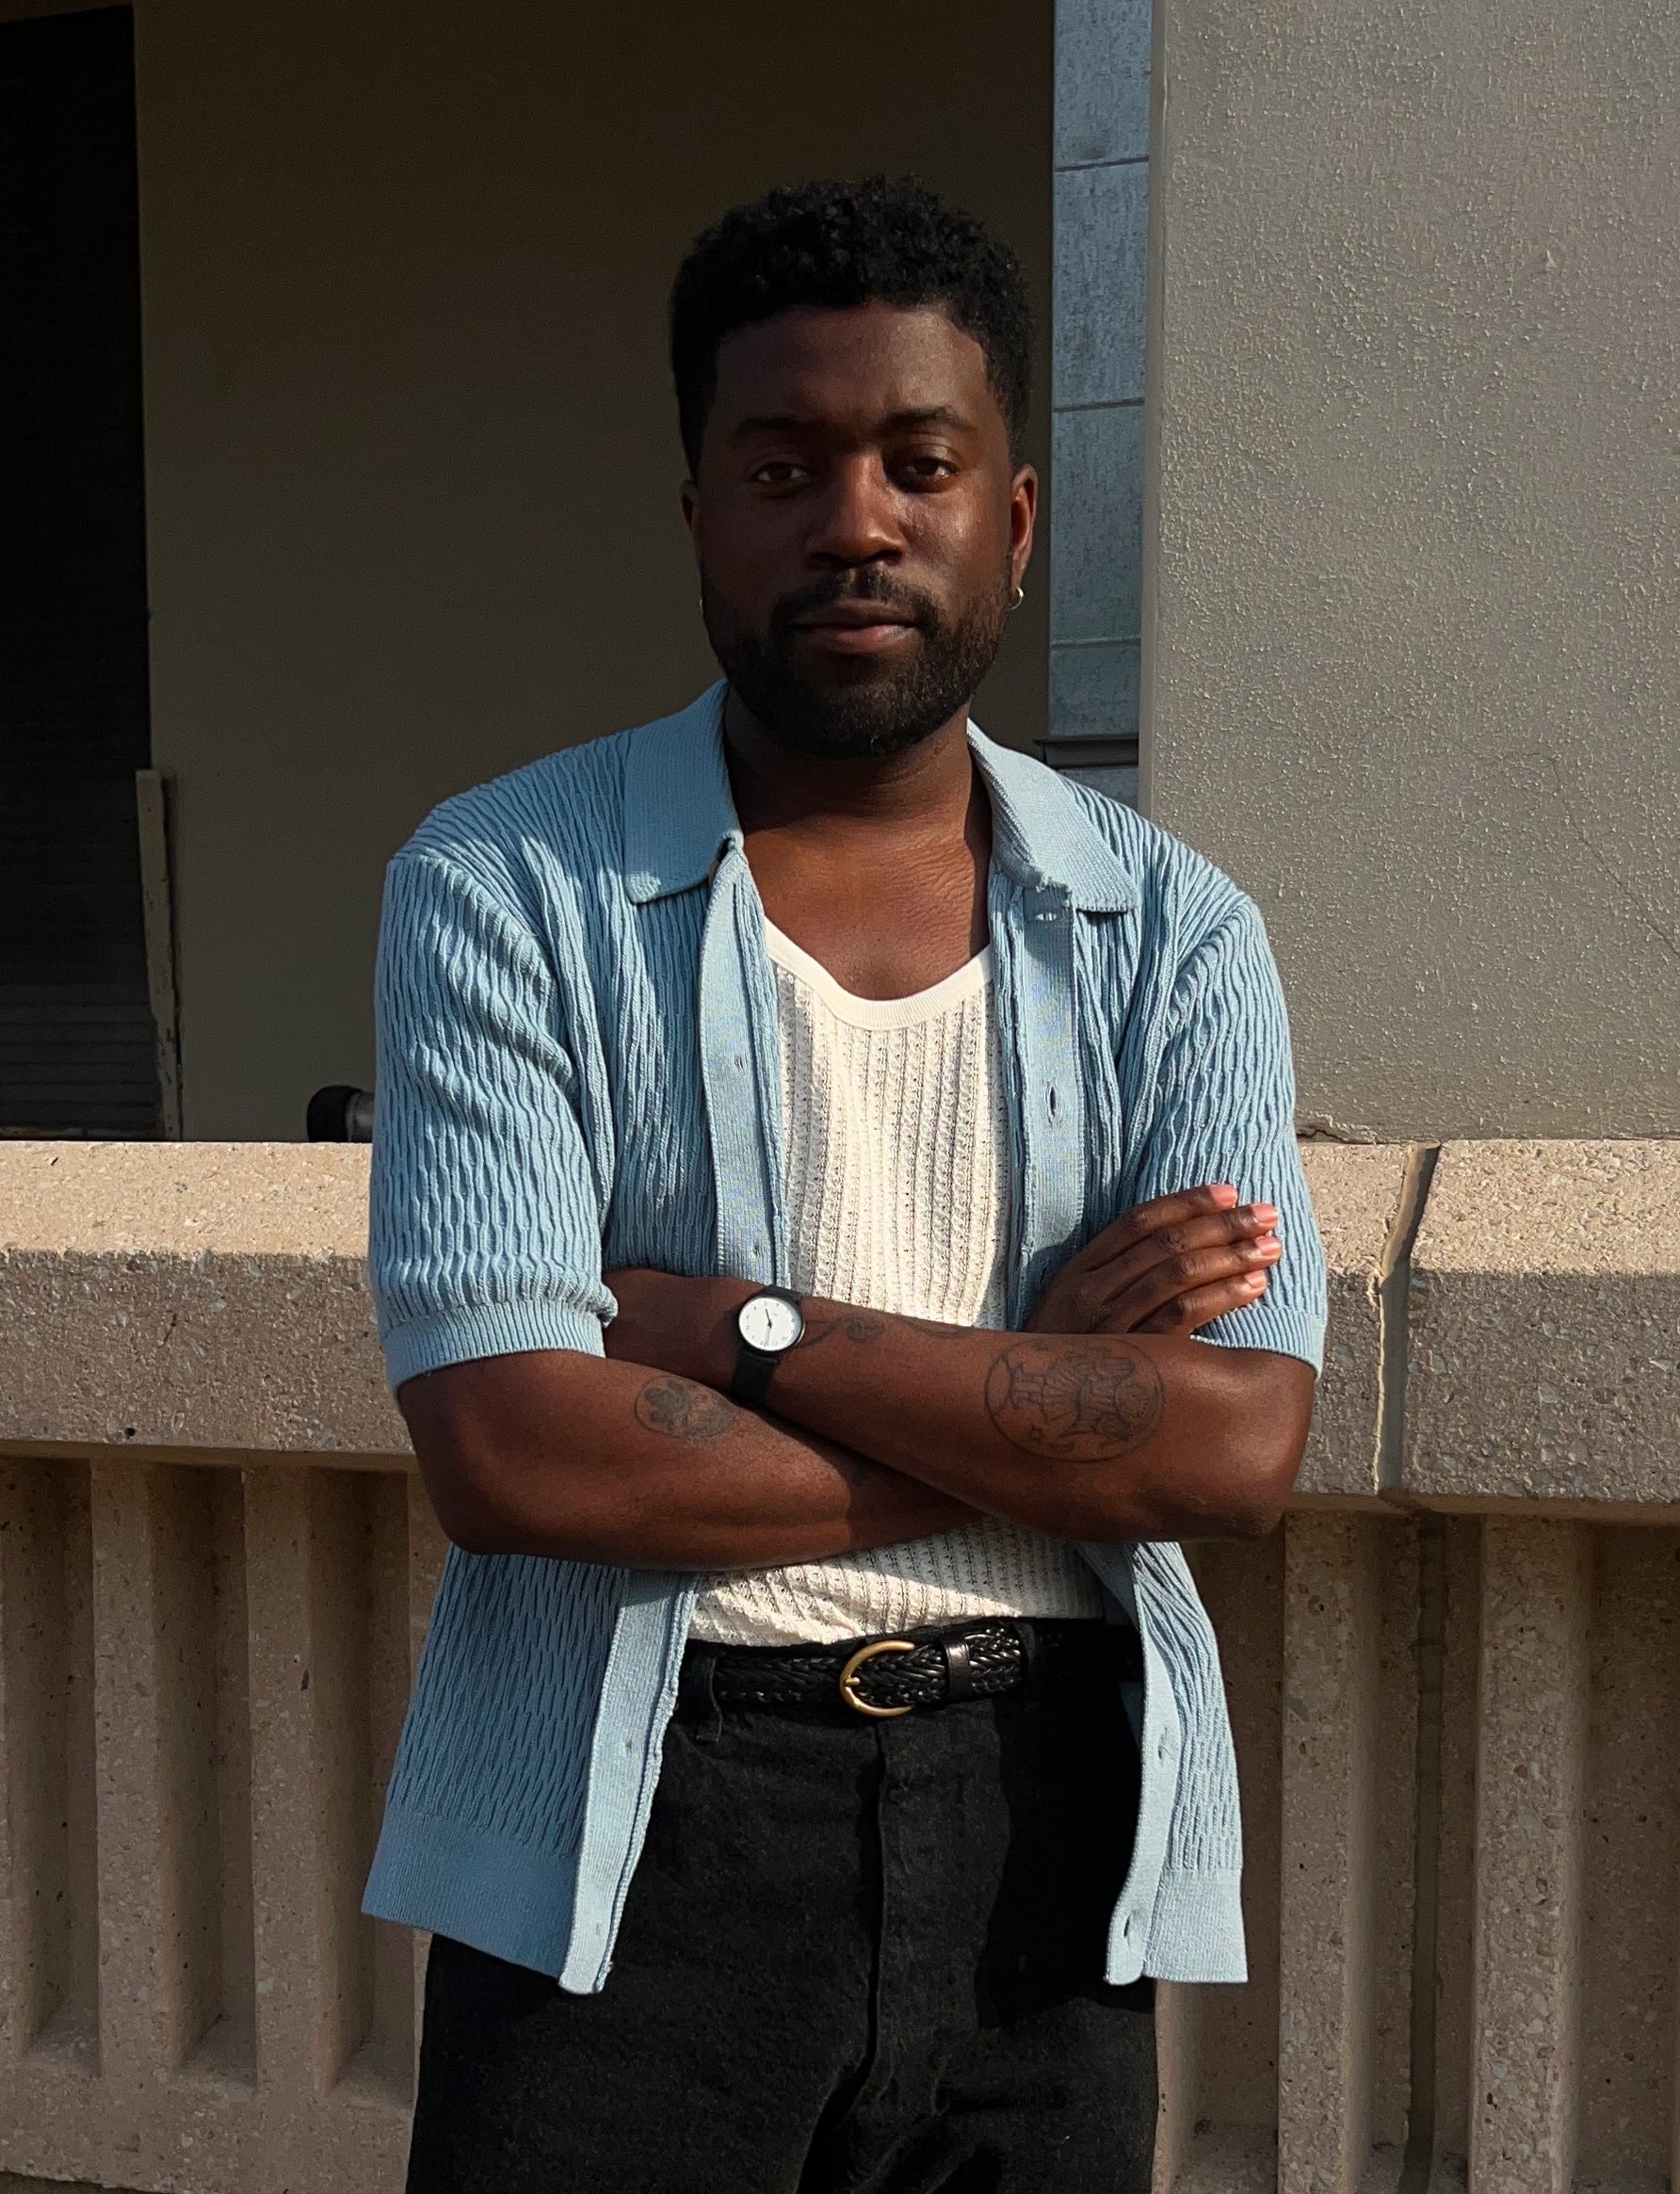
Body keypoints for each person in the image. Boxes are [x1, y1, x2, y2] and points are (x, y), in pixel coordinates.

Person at [366, 175, 1325, 2194]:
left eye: (920, 462)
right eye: (783, 466)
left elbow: (1234, 1446)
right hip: (640, 1840)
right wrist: (1039, 1406)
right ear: (699, 511)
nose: (854, 521)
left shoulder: (1174, 934)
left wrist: (736, 1327)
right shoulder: (503, 887)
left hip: (1053, 1834)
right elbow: (515, 1451)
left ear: (1016, 518)